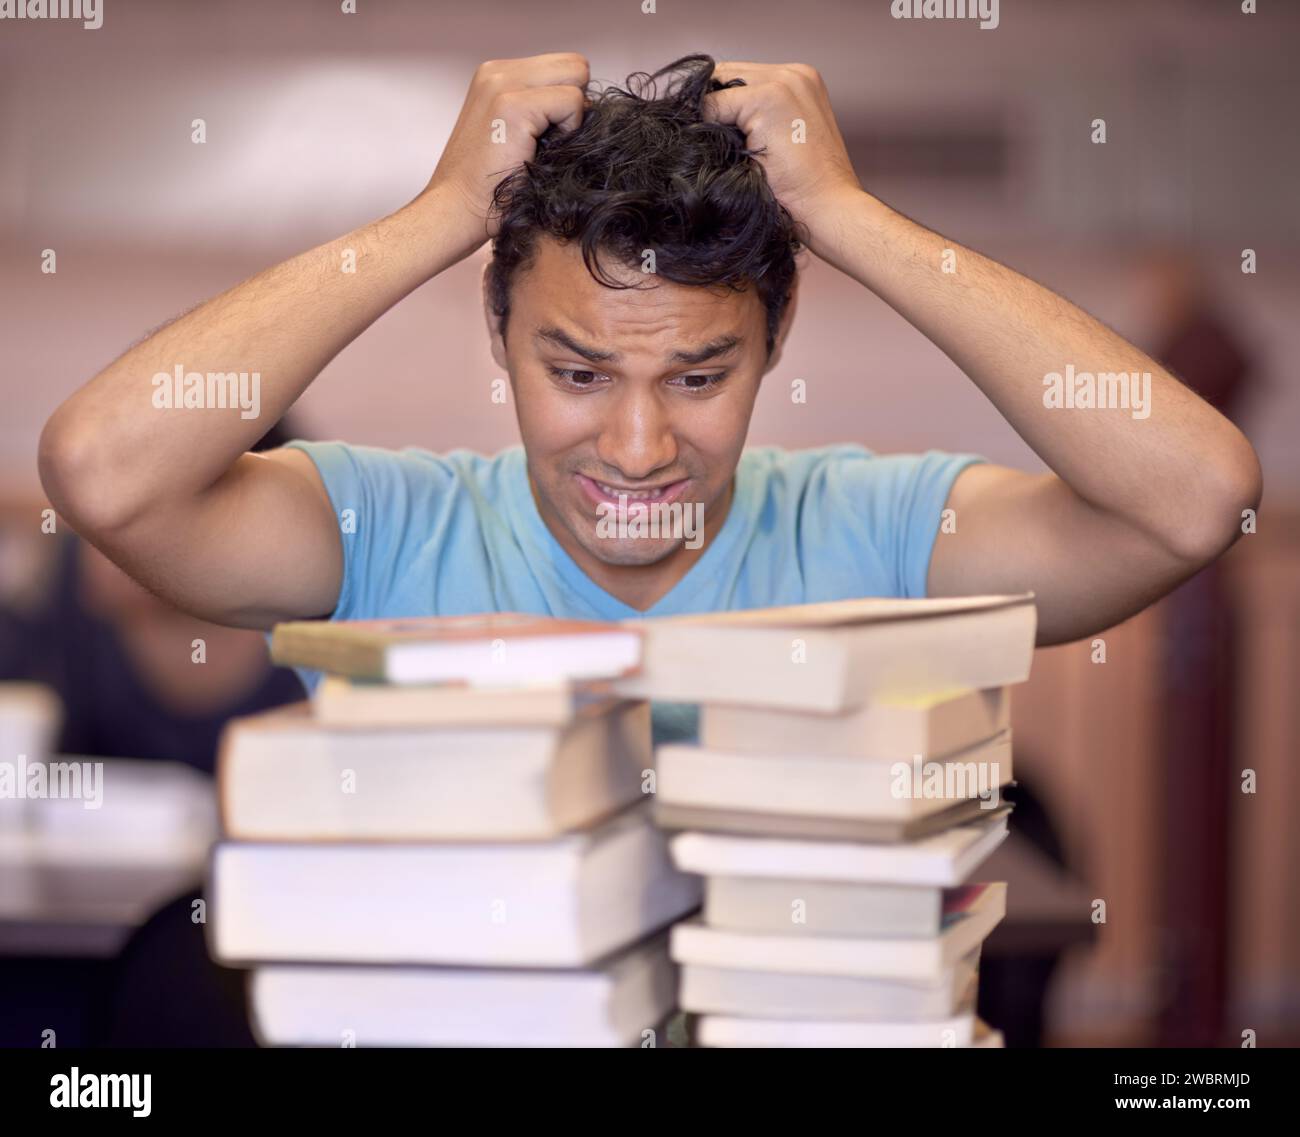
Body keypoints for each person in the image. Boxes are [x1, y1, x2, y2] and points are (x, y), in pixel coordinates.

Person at [34, 53, 1261, 1045]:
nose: (634, 445)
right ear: (500, 338)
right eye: (574, 373)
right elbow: (104, 471)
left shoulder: (872, 527)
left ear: (773, 341)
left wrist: (848, 214)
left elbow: (1192, 501)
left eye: (699, 374)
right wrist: (441, 213)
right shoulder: (388, 527)